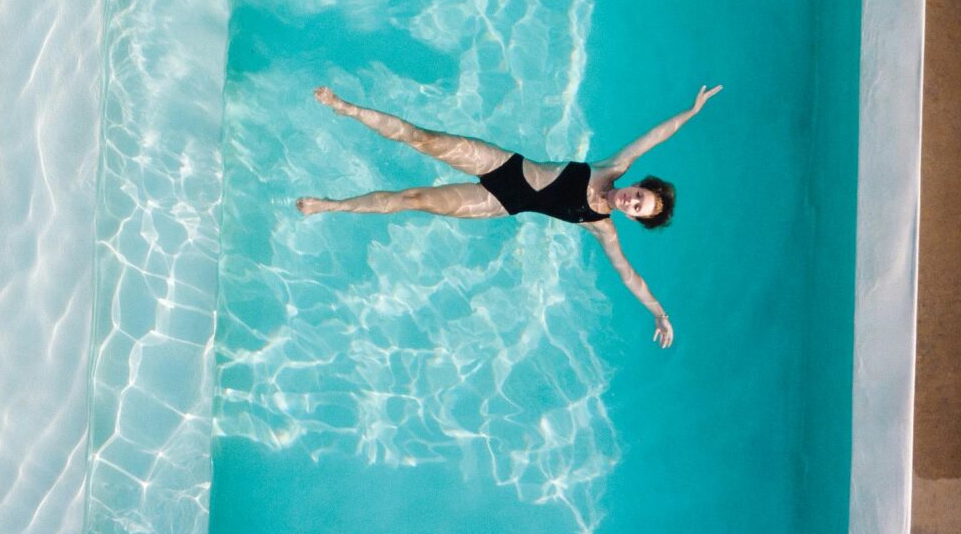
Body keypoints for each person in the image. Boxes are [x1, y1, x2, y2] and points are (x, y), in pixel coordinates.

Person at [297, 83, 721, 347]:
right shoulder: (613, 167)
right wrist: (693, 112)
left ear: (633, 218)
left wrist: (659, 312)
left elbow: (629, 276)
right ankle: (346, 107)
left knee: (414, 198)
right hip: (504, 166)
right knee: (421, 138)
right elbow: (653, 137)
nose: (631, 200)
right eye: (639, 195)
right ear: (637, 184)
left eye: (637, 208)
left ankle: (330, 205)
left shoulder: (602, 227)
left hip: (499, 203)